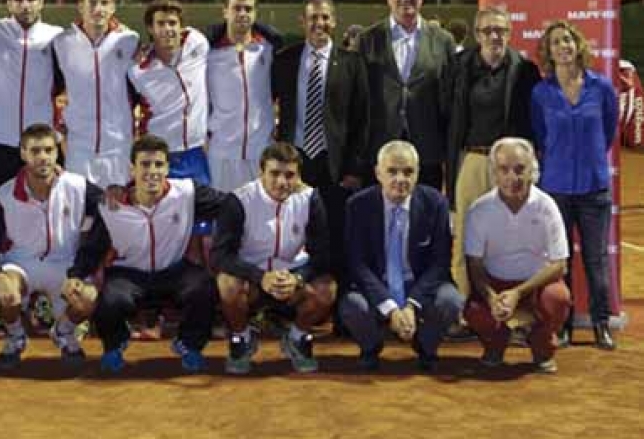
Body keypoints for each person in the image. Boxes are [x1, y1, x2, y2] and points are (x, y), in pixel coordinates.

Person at [62, 135, 227, 373]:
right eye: (145, 165)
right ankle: (115, 345)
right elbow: (93, 248)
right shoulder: (113, 206)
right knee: (109, 298)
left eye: (159, 165)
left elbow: (231, 204)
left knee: (204, 287)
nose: (152, 171)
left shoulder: (188, 192)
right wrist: (76, 274)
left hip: (174, 270)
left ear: (168, 168)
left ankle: (189, 344)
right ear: (132, 169)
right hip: (129, 274)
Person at [0, 123, 103, 367]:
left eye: (48, 150)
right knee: (7, 293)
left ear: (57, 152)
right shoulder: (3, 195)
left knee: (88, 297)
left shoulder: (78, 186)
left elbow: (110, 212)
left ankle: (63, 332)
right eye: (35, 151)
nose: (42, 157)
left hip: (64, 264)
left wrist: (83, 266)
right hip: (21, 263)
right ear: (23, 153)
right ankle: (15, 337)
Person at [211, 142, 337, 374]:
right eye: (275, 174)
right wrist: (260, 277)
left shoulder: (310, 199)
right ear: (261, 173)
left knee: (327, 289)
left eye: (289, 175)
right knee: (227, 285)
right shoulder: (239, 200)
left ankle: (297, 338)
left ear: (298, 175)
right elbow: (220, 256)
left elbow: (323, 256)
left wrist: (298, 278)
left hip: (293, 283)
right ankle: (242, 338)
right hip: (252, 282)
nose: (282, 182)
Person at [531, 21, 618, 350]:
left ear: (578, 45)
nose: (563, 46)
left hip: (594, 188)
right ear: (548, 52)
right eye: (556, 42)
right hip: (556, 189)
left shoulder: (602, 87)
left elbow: (608, 131)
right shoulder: (541, 93)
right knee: (560, 261)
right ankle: (562, 324)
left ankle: (600, 324)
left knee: (596, 260)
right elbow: (541, 136)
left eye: (568, 40)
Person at [271, 0, 369, 287]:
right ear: (302, 21)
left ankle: (337, 306)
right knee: (293, 234)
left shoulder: (352, 63)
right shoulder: (285, 60)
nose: (320, 23)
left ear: (334, 21)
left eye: (325, 17)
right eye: (313, 17)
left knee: (336, 235)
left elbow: (361, 119)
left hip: (334, 165)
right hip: (295, 162)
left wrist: (353, 169)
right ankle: (288, 301)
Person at [340, 140, 463, 371]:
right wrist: (390, 307)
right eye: (392, 171)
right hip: (378, 283)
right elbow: (357, 263)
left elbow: (440, 263)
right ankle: (371, 346)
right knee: (352, 305)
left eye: (408, 172)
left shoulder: (435, 202)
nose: (400, 179)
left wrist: (411, 305)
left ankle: (426, 347)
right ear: (378, 173)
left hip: (417, 284)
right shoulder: (358, 205)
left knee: (451, 300)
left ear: (417, 174)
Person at [446, 8, 540, 304]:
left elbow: (531, 122)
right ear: (477, 34)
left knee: (510, 237)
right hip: (471, 159)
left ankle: (510, 309)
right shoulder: (458, 66)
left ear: (510, 33)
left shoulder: (525, 70)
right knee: (463, 234)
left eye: (500, 30)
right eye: (487, 31)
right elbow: (446, 114)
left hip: (508, 166)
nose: (494, 36)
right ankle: (462, 307)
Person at [464, 138, 571, 373]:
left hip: (537, 284)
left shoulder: (547, 207)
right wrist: (492, 298)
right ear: (494, 173)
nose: (512, 177)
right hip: (496, 284)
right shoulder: (479, 210)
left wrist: (519, 293)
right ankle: (495, 344)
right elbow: (475, 263)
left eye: (520, 169)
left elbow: (560, 265)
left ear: (533, 170)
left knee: (558, 299)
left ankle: (541, 346)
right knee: (474, 311)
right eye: (504, 169)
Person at [128, 0, 212, 259]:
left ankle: (203, 284)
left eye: (173, 23)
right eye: (161, 24)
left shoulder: (198, 43)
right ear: (150, 29)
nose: (168, 29)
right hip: (163, 159)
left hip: (197, 155)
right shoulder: (137, 70)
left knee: (203, 229)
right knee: (169, 230)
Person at [358, 0, 455, 189]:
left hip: (427, 150)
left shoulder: (443, 41)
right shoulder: (368, 39)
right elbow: (359, 99)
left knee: (424, 214)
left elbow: (449, 98)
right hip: (379, 148)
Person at [52, 0, 139, 186]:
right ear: (80, 6)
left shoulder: (130, 41)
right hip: (78, 147)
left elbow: (141, 90)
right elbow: (51, 90)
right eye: (92, 2)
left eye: (105, 3)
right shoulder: (62, 43)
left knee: (117, 212)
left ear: (113, 8)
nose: (98, 9)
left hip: (119, 145)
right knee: (81, 213)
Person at [0, 0, 63, 189]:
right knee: (2, 204)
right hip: (3, 139)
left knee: (43, 202)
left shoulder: (56, 37)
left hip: (41, 141)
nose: (25, 5)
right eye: (19, 0)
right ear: (9, 4)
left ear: (41, 3)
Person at [206, 0, 283, 191]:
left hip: (260, 152)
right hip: (222, 154)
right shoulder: (208, 54)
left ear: (255, 14)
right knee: (223, 218)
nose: (242, 14)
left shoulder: (268, 49)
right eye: (237, 8)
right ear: (225, 11)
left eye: (248, 9)